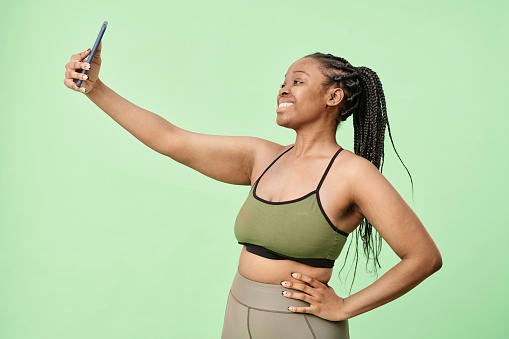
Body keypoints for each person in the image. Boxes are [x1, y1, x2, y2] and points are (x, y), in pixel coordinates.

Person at [64, 42, 442, 339]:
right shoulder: (262, 157)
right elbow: (171, 139)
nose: (283, 89)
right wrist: (94, 88)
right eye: (282, 81)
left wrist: (344, 306)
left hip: (300, 326)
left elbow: (423, 257)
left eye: (298, 80)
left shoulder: (352, 174)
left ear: (334, 96)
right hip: (237, 311)